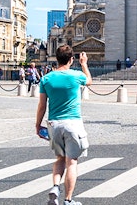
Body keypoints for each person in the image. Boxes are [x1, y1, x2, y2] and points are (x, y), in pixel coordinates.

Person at [36, 45, 92, 205]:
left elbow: (41, 106)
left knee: (59, 159)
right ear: (71, 59)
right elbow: (89, 81)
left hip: (54, 123)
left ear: (56, 58)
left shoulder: (46, 79)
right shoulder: (76, 76)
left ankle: (55, 187)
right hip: (72, 122)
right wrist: (84, 64)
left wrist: (38, 125)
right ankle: (68, 200)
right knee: (72, 162)